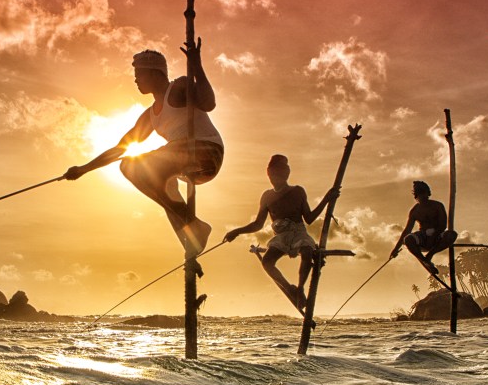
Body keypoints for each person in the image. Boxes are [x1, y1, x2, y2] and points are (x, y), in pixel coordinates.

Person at [65, 39, 223, 257]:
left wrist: (196, 65)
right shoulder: (150, 116)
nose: (136, 79)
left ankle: (192, 222)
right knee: (132, 169)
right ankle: (192, 232)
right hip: (184, 162)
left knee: (148, 163)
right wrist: (83, 169)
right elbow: (122, 148)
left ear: (154, 73)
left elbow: (208, 104)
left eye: (139, 74)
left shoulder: (178, 87)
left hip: (207, 153)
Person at [223, 155, 338, 309]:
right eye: (272, 174)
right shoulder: (267, 196)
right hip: (280, 236)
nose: (274, 177)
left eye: (279, 173)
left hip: (298, 232)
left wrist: (326, 199)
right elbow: (258, 224)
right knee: (267, 262)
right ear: (268, 174)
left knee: (307, 252)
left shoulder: (297, 191)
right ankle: (290, 288)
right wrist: (236, 231)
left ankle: (300, 289)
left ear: (286, 174)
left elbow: (309, 218)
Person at [389, 180, 457, 273]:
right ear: (416, 196)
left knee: (452, 234)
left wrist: (433, 235)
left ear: (428, 193)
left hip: (438, 235)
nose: (423, 197)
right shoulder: (415, 211)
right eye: (420, 195)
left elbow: (443, 225)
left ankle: (429, 256)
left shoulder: (437, 206)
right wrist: (395, 249)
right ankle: (425, 261)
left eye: (424, 194)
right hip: (423, 237)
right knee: (408, 239)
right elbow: (406, 231)